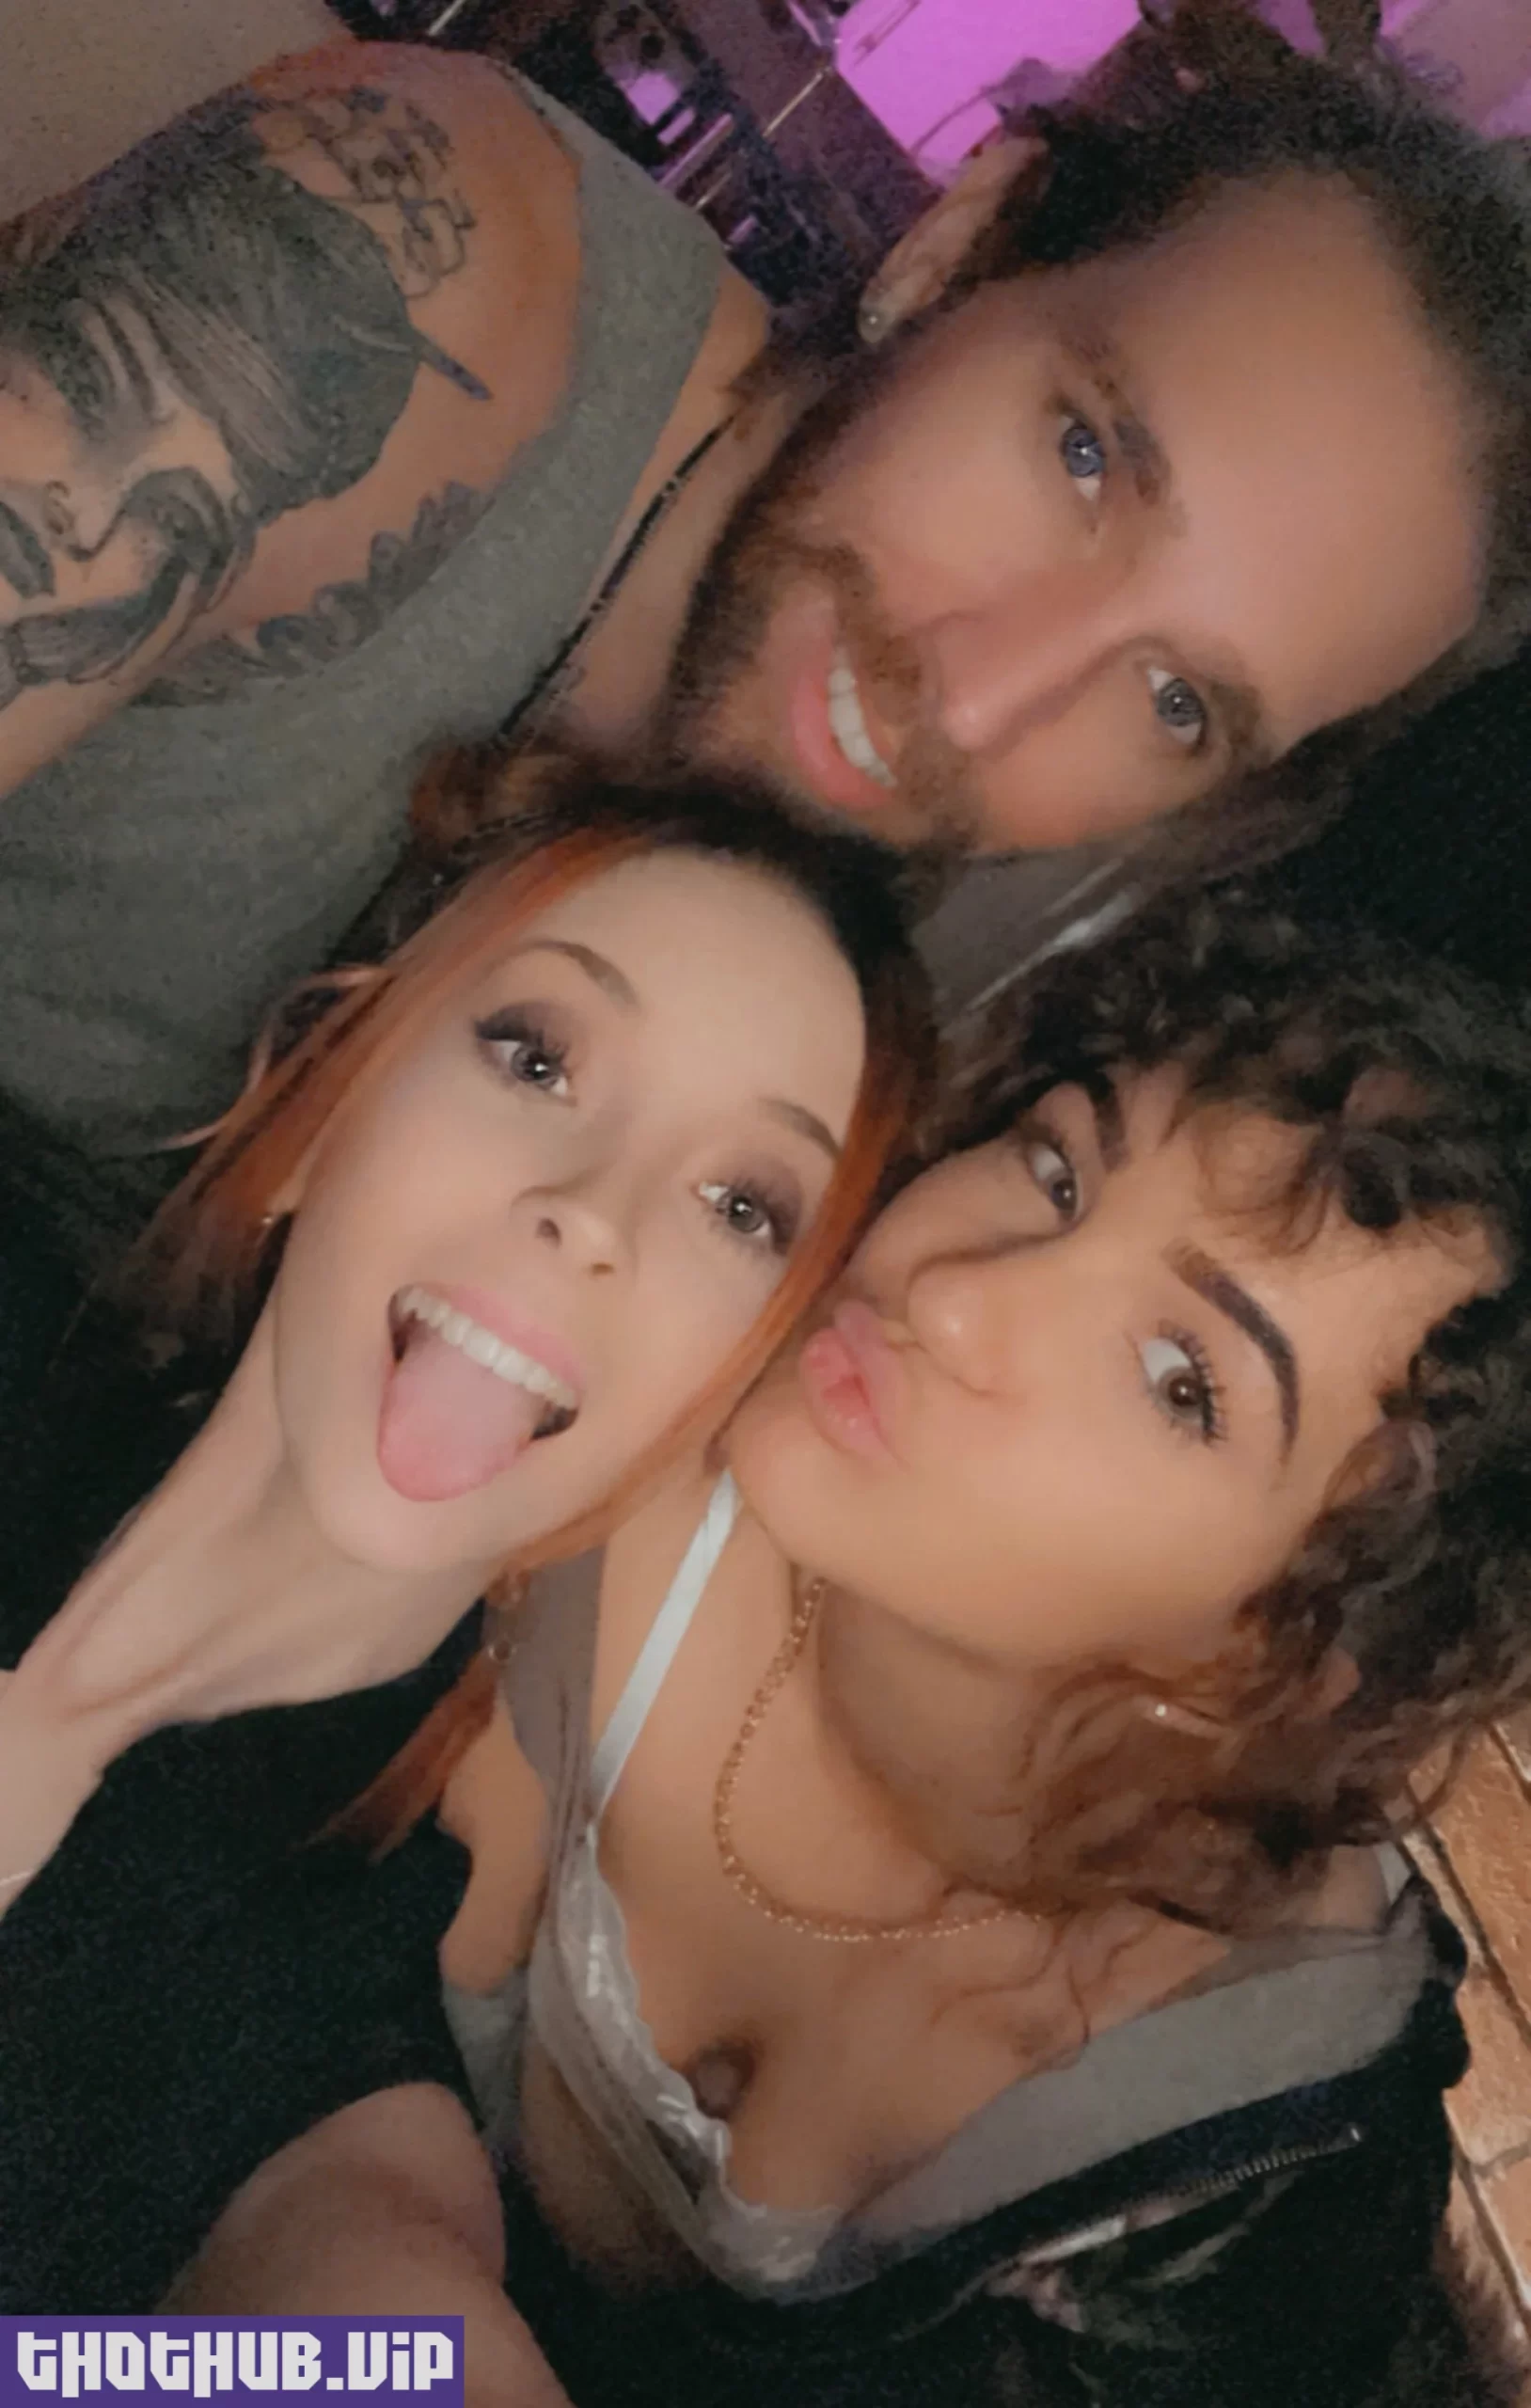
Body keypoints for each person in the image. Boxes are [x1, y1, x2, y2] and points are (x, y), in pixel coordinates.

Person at [150, 889, 1531, 2407]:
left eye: (1176, 1379)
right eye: (1058, 1170)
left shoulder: (1237, 2186)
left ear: (1290, 1662)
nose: (955, 1295)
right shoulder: (599, 1413)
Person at [2, 10, 1531, 1295]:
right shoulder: (413, 279)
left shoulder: (896, 1008)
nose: (975, 704)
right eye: (1081, 456)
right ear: (959, 250)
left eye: (1176, 701)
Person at [0, 757, 929, 1925]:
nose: (593, 1214)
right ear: (326, 1092)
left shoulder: (314, 1977)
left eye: (741, 1207)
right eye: (537, 1061)